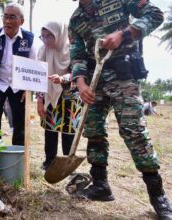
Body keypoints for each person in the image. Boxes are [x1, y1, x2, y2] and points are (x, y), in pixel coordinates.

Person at [69, 0, 171, 219]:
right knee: (93, 131)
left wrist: (124, 34)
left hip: (123, 76)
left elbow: (155, 15)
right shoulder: (75, 20)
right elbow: (77, 56)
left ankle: (158, 194)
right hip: (94, 84)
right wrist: (81, 83)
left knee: (134, 132)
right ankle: (100, 185)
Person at [0, 2, 36, 145]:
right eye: (5, 17)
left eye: (12, 17)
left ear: (21, 21)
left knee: (20, 122)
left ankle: (17, 157)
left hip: (19, 86)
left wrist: (28, 89)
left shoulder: (29, 39)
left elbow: (34, 67)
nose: (7, 21)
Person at [36, 20, 82, 170]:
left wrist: (63, 78)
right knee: (50, 130)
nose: (46, 40)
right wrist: (40, 100)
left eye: (50, 36)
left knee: (69, 132)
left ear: (59, 34)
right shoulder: (42, 51)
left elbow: (78, 71)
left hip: (70, 97)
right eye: (43, 36)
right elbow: (39, 78)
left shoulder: (73, 50)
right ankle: (49, 161)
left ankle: (68, 164)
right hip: (50, 96)